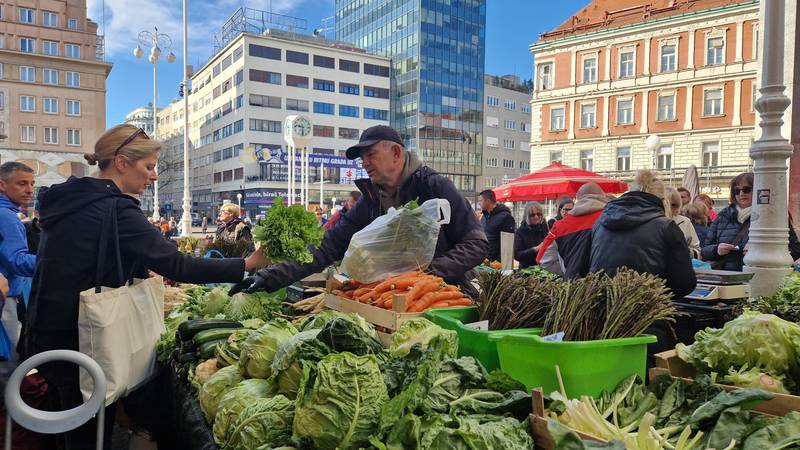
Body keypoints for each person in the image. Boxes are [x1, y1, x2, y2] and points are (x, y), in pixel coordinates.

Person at [22, 124, 269, 450]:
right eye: (149, 167)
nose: (153, 176)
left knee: (61, 427)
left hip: (47, 331)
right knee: (88, 433)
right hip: (84, 338)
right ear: (122, 163)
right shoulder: (116, 208)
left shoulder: (68, 198)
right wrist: (248, 264)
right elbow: (179, 265)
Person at [230, 125, 488, 297]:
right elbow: (327, 246)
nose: (363, 163)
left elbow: (476, 244)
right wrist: (272, 276)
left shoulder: (434, 186)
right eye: (361, 157)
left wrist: (426, 275)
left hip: (445, 298)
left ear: (396, 153)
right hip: (392, 297)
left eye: (370, 155)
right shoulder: (372, 200)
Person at [590, 170, 696, 298]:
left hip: (601, 306)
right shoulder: (666, 227)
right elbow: (684, 284)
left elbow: (588, 269)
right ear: (664, 200)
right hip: (646, 308)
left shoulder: (599, 223)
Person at [0, 162, 37, 357]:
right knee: (8, 364)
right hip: (5, 300)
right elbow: (17, 260)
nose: (29, 190)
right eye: (22, 183)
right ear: (2, 184)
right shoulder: (6, 216)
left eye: (32, 184)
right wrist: (53, 261)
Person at [537, 183, 608, 278]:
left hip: (574, 286)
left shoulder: (559, 226)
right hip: (609, 283)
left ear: (577, 199)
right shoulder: (611, 218)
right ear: (602, 197)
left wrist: (567, 270)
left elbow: (542, 260)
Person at [479, 189, 515, 262]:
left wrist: (498, 261)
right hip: (484, 260)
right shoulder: (484, 217)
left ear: (488, 201)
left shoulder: (505, 217)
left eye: (481, 200)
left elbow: (508, 243)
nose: (479, 203)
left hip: (497, 264)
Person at [666, 187, 701, 259]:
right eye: (667, 204)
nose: (670, 208)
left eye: (673, 204)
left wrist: (687, 251)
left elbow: (697, 250)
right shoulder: (651, 221)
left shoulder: (685, 221)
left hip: (679, 265)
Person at [513, 202, 548, 269]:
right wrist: (535, 249)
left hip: (544, 268)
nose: (536, 217)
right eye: (532, 215)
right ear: (527, 216)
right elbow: (517, 255)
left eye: (539, 214)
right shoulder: (520, 231)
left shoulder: (545, 227)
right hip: (527, 270)